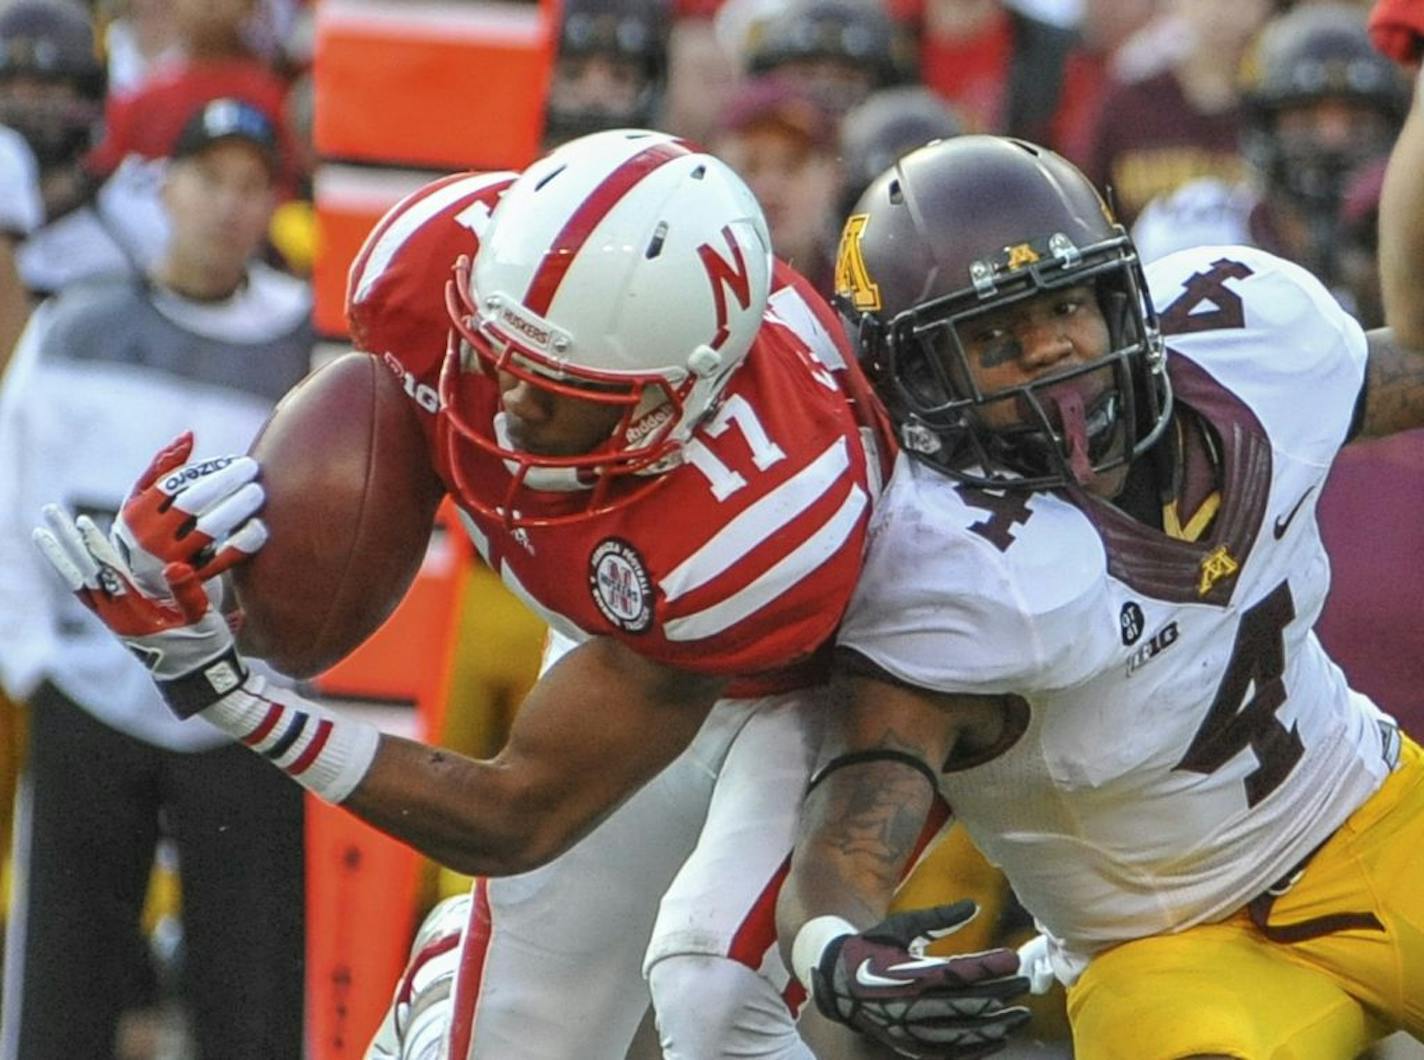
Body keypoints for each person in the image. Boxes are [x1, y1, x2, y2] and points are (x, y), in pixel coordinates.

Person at [35, 128, 894, 1060]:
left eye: (557, 385)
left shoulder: (758, 520)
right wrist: (222, 571)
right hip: (627, 611)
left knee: (714, 999)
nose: (511, 405)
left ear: (671, 402)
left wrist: (240, 707)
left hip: (801, 671)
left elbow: (515, 813)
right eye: (496, 357)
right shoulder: (431, 265)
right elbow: (361, 474)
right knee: (514, 1038)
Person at [775, 131, 1424, 1058]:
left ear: (1122, 295)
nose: (1052, 350)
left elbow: (1399, 376)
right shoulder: (956, 564)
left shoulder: (1252, 345)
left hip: (1368, 813)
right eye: (996, 338)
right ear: (916, 376)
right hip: (1161, 944)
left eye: (1068, 304)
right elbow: (847, 831)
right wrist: (834, 950)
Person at [0, 97, 311, 1060]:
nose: (227, 205)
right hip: (88, 685)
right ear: (164, 187)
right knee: (61, 971)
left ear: (273, 206)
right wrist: (30, 659)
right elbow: (11, 487)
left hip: (243, 702)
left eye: (252, 186)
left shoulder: (310, 347)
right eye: (209, 179)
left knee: (252, 981)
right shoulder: (74, 326)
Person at [1131, 1, 1410, 321]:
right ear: (1263, 127)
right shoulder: (1191, 229)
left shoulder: (1411, 241)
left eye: (1359, 121)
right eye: (1307, 119)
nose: (1332, 140)